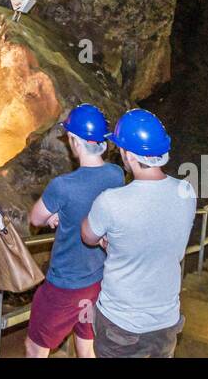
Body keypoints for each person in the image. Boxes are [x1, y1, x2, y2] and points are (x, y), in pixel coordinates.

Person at [82, 108, 196, 358]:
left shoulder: (111, 201)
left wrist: (110, 243)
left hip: (120, 322)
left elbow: (88, 236)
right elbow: (161, 236)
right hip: (165, 321)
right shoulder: (186, 192)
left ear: (130, 155)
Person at [24, 104, 124, 358]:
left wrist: (55, 214)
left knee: (35, 347)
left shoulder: (63, 186)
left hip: (64, 286)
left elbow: (35, 218)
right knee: (86, 342)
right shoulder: (116, 175)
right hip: (98, 281)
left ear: (75, 142)